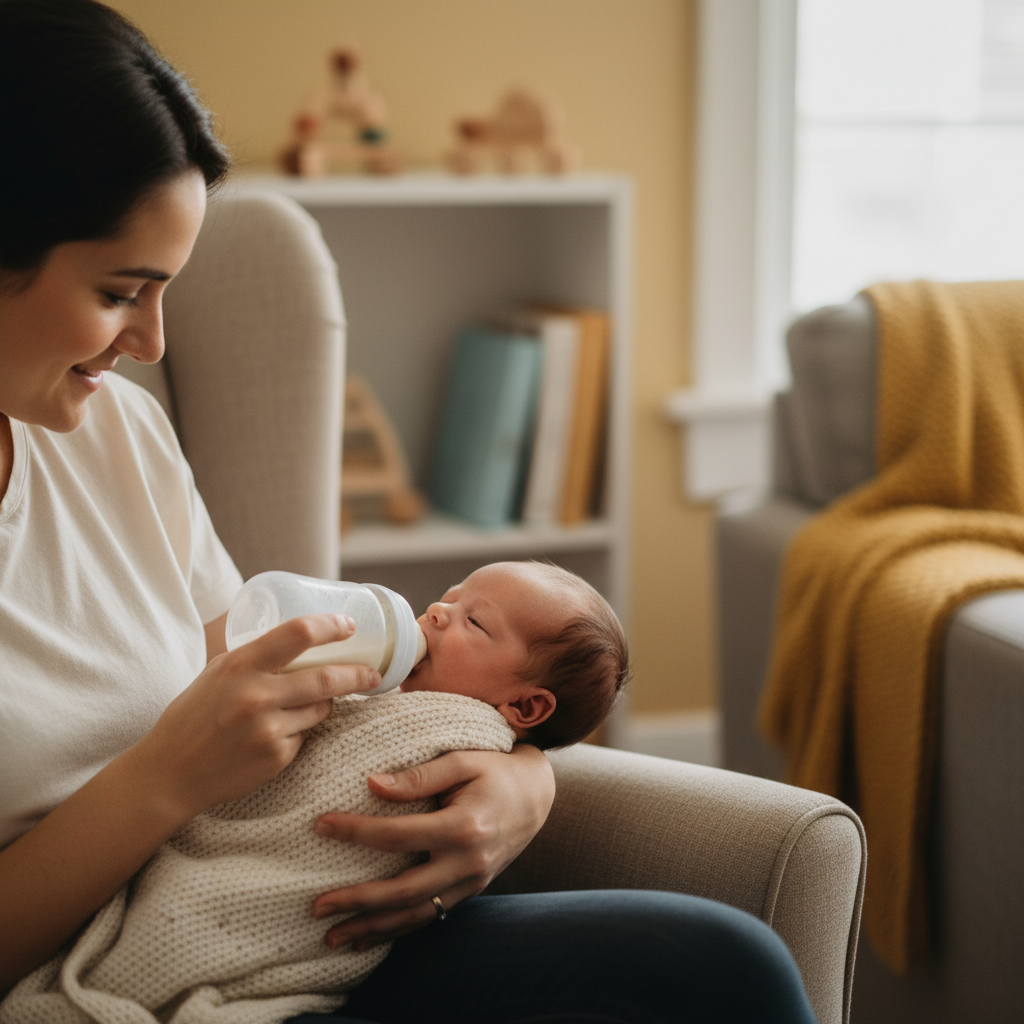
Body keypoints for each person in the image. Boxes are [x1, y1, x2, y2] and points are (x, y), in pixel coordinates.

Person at [0, 2, 821, 1022]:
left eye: (166, 291)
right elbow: (192, 750)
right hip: (104, 977)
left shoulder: (113, 433)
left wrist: (521, 778)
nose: (152, 343)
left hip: (284, 928)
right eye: (123, 291)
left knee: (718, 966)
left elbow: (246, 673)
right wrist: (160, 781)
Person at [1, 562, 630, 1023]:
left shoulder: (455, 731)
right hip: (138, 884)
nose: (435, 612)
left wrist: (527, 773)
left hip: (335, 933)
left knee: (698, 951)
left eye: (474, 621)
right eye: (447, 597)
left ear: (524, 705)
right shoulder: (380, 696)